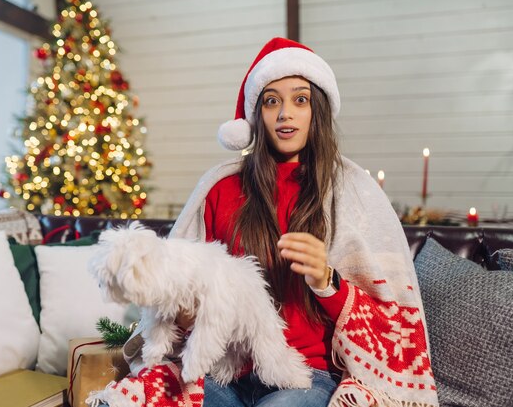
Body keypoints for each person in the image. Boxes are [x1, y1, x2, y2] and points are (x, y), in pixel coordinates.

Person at [167, 37, 439, 407]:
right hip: (225, 374)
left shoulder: (350, 191)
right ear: (256, 115)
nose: (285, 114)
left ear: (318, 110)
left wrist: (327, 280)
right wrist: (182, 306)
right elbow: (182, 303)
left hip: (308, 376)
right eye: (271, 101)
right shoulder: (219, 190)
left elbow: (387, 314)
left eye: (300, 100)